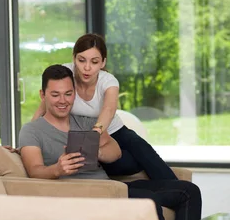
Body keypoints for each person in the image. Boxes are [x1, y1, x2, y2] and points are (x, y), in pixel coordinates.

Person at [20, 64, 202, 220]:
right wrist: (57, 169)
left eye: (68, 94)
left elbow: (115, 152)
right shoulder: (32, 130)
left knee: (189, 191)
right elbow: (35, 170)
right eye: (55, 95)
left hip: (111, 186)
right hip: (91, 194)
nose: (63, 100)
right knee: (148, 201)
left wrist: (97, 151)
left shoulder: (86, 123)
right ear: (43, 95)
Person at [32, 33, 177, 181]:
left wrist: (95, 133)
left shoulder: (108, 81)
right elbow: (44, 106)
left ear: (102, 63)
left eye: (94, 62)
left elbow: (109, 109)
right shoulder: (65, 75)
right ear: (74, 58)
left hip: (114, 131)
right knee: (120, 164)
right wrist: (27, 140)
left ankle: (178, 189)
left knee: (144, 153)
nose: (87, 67)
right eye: (81, 60)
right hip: (84, 135)